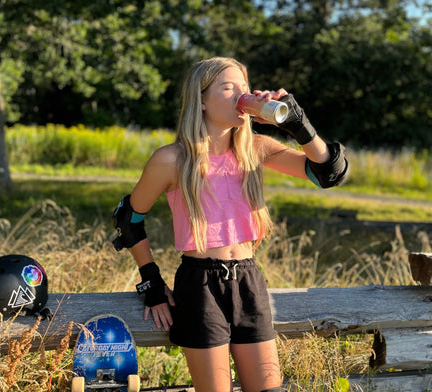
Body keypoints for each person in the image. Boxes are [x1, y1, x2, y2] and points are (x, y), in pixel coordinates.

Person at [112, 57, 349, 392]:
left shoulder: (257, 149)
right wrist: (151, 282)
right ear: (202, 99)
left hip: (249, 281)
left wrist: (300, 126)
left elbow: (330, 173)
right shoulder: (172, 159)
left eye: (244, 88)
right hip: (200, 286)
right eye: (229, 88)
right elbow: (128, 218)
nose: (242, 96)